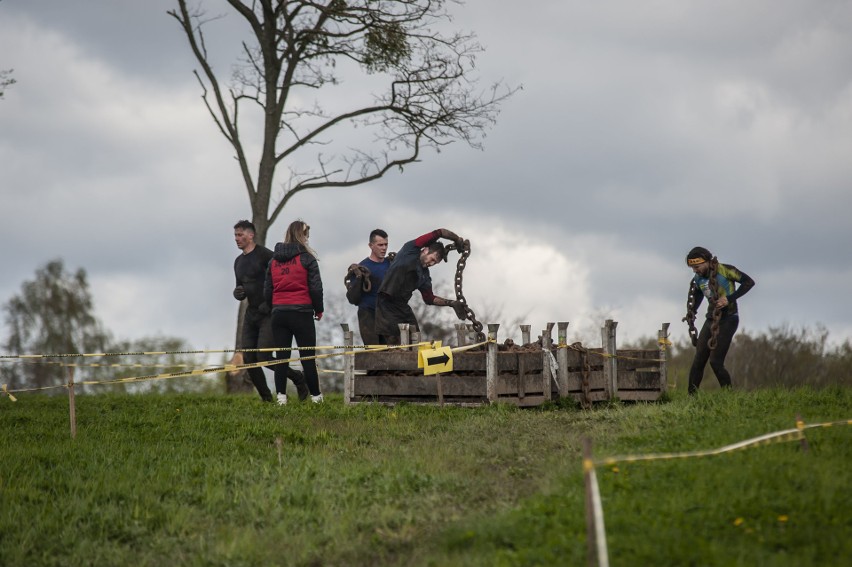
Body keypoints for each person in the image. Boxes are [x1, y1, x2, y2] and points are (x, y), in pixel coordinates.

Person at [233, 219, 307, 402]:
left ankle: (298, 378)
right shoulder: (238, 262)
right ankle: (267, 399)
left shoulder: (266, 256)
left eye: (240, 235)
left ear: (251, 235)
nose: (236, 239)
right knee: (249, 358)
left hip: (270, 312)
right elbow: (240, 288)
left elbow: (282, 278)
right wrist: (238, 293)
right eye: (235, 235)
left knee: (264, 356)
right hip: (251, 313)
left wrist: (271, 301)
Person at [264, 220, 325, 404]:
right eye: (307, 235)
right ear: (302, 235)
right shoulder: (307, 259)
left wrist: (272, 308)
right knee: (307, 356)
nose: (307, 239)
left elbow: (268, 289)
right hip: (302, 312)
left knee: (281, 357)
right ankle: (316, 397)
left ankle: (281, 398)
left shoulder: (273, 261)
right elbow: (316, 288)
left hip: (279, 313)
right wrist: (319, 309)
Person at [375, 228, 468, 345]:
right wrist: (456, 239)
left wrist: (451, 303)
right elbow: (439, 232)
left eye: (435, 263)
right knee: (394, 343)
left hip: (402, 308)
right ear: (425, 250)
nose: (432, 264)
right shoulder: (410, 250)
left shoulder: (424, 276)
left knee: (415, 339)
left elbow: (429, 298)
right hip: (385, 305)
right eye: (432, 259)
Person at [683, 246, 755, 395]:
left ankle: (729, 396)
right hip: (711, 319)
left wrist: (729, 299)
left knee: (715, 362)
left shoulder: (725, 270)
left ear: (707, 262)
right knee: (698, 360)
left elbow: (749, 282)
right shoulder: (698, 278)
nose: (695, 270)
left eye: (697, 266)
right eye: (692, 268)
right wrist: (693, 311)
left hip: (728, 318)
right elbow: (697, 295)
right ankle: (691, 399)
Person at [345, 229, 392, 345]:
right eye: (380, 245)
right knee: (373, 353)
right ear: (371, 246)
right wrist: (359, 279)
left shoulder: (391, 264)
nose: (384, 248)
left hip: (388, 314)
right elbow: (352, 299)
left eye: (386, 244)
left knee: (393, 352)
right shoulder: (362, 268)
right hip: (368, 315)